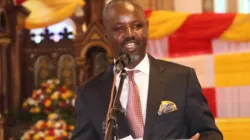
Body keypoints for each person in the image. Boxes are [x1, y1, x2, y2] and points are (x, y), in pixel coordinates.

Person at [72, 0, 223, 140]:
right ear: (106, 36)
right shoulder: (89, 93)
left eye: (137, 26)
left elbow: (211, 134)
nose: (130, 34)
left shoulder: (182, 79)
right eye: (119, 28)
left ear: (147, 28)